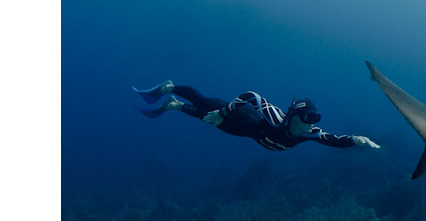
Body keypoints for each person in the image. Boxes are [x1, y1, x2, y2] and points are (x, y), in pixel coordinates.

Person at [133, 80, 380, 151]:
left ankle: (175, 106)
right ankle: (169, 88)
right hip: (239, 114)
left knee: (203, 118)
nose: (312, 124)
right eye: (307, 117)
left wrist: (356, 139)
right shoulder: (277, 117)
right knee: (203, 103)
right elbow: (250, 96)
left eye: (315, 119)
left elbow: (335, 140)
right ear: (294, 115)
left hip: (243, 132)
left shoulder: (312, 133)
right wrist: (223, 112)